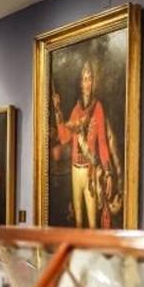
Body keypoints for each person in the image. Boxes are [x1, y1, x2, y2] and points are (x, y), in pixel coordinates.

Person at [52, 58, 122, 229]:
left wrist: (108, 173)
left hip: (90, 172)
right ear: (80, 84)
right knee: (78, 222)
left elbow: (103, 144)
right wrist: (57, 110)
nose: (87, 82)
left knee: (92, 223)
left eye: (90, 78)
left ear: (93, 82)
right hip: (76, 172)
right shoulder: (76, 110)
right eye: (84, 78)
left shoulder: (98, 108)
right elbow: (64, 138)